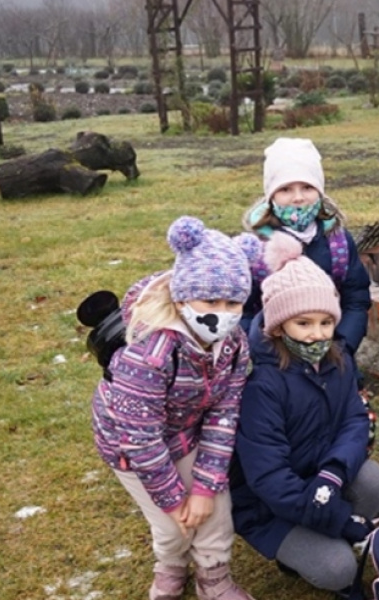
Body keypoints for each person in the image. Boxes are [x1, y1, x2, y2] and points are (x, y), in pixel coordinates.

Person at [91, 216, 256, 600]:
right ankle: (170, 565)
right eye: (209, 301)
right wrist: (175, 497)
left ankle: (214, 576)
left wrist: (203, 486)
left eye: (233, 302)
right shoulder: (148, 352)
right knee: (171, 524)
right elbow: (141, 439)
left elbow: (224, 413)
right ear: (182, 297)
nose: (222, 312)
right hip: (129, 444)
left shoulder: (233, 345)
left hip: (188, 428)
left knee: (214, 509)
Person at [230, 234, 379, 600]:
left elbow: (355, 420)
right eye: (303, 323)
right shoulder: (261, 383)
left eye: (325, 322)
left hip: (317, 473)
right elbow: (267, 476)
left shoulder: (338, 358)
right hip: (267, 504)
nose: (317, 334)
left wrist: (332, 474)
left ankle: (317, 534)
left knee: (374, 481)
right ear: (278, 325)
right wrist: (338, 518)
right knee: (339, 568)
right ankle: (307, 550)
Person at [241, 137, 372, 358]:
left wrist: (343, 347)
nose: (298, 198)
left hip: (331, 352)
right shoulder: (255, 249)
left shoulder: (338, 243)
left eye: (307, 187)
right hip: (273, 359)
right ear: (270, 196)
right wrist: (261, 353)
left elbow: (356, 299)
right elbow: (242, 309)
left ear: (320, 191)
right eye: (285, 189)